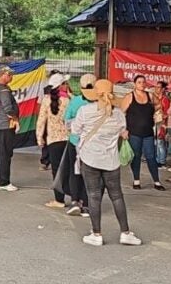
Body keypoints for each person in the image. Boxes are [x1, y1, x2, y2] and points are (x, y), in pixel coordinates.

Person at [72, 79, 142, 247]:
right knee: (117, 196)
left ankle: (96, 234)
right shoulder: (118, 114)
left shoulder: (85, 110)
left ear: (95, 93)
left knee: (94, 196)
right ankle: (125, 233)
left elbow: (75, 130)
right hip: (111, 160)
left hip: (90, 158)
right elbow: (122, 131)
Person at [122, 75, 165, 191]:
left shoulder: (150, 95)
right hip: (134, 132)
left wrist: (157, 113)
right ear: (135, 84)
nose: (142, 84)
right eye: (139, 82)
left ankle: (156, 181)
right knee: (136, 156)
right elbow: (122, 113)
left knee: (151, 156)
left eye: (143, 82)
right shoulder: (129, 97)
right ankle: (136, 180)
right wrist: (123, 130)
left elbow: (158, 105)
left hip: (148, 132)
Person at [63, 73, 97, 217]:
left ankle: (75, 201)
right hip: (93, 144)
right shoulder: (99, 103)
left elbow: (65, 120)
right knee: (90, 174)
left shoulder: (75, 101)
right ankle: (87, 204)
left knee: (74, 172)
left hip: (75, 142)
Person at [37, 73, 71, 208]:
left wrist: (39, 138)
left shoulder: (46, 100)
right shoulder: (69, 100)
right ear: (61, 85)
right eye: (65, 83)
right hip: (68, 139)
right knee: (70, 169)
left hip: (53, 140)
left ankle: (59, 199)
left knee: (56, 170)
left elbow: (41, 120)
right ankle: (75, 197)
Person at [154, 81, 171, 169]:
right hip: (155, 121)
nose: (156, 89)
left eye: (159, 87)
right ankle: (158, 160)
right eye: (156, 87)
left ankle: (162, 161)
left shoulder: (165, 99)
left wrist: (165, 123)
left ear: (163, 89)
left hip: (162, 122)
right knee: (156, 142)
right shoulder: (156, 98)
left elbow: (167, 113)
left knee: (161, 142)